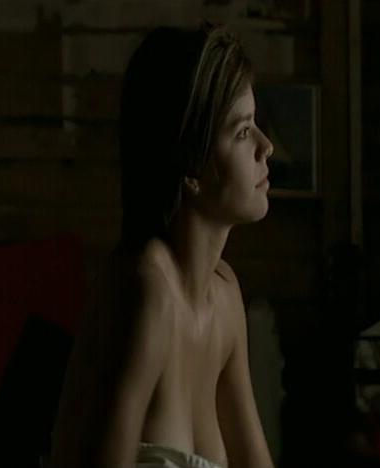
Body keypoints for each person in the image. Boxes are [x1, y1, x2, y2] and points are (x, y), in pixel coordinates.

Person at [50, 24, 275, 468]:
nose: (266, 147)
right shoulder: (147, 289)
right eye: (242, 131)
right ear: (190, 167)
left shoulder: (225, 297)